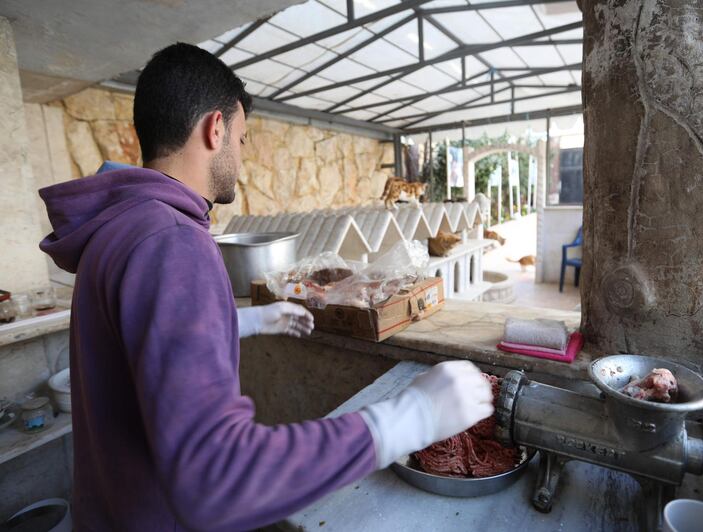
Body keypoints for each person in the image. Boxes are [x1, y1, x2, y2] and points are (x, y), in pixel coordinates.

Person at [39, 43, 493, 531]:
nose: (242, 152)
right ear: (215, 129)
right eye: (242, 136)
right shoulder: (173, 243)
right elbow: (216, 477)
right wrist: (409, 418)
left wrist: (245, 320)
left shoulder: (119, 228)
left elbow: (143, 349)